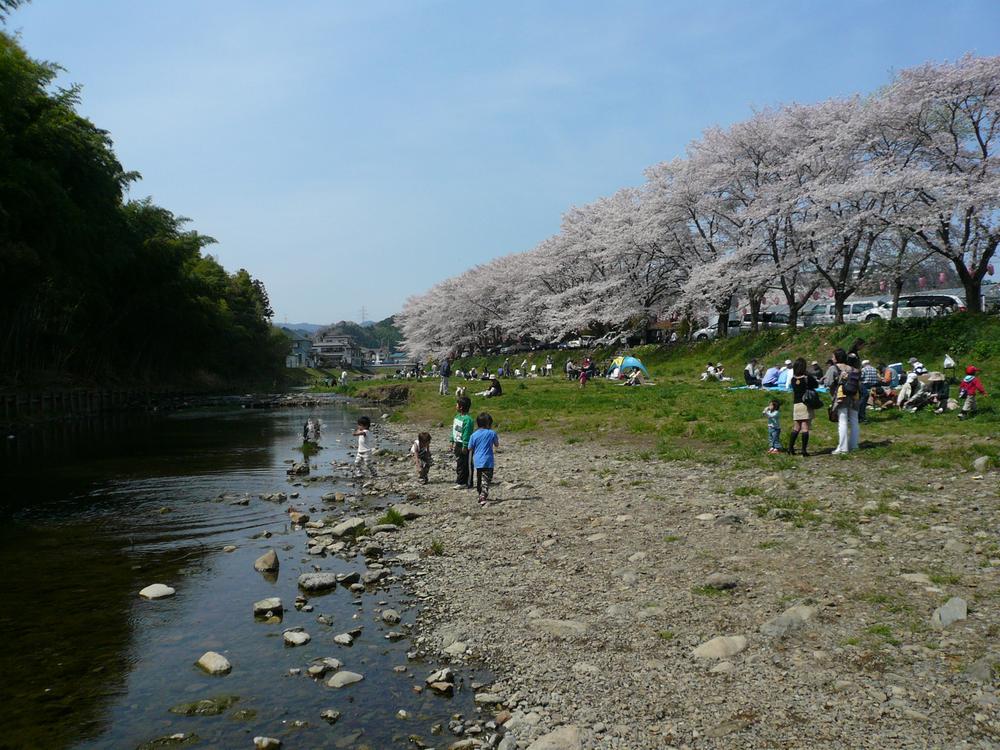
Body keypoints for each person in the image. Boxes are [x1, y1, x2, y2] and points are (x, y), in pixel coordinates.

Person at [830, 348, 861, 454]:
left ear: (837, 357)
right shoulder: (853, 369)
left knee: (842, 422)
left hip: (841, 396)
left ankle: (843, 448)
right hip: (854, 395)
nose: (832, 358)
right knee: (854, 421)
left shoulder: (833, 368)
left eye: (833, 356)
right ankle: (854, 445)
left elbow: (828, 382)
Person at [467, 412, 500, 506]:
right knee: (486, 478)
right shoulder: (492, 433)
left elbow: (470, 448)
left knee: (479, 477)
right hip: (488, 460)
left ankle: (480, 493)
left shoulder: (474, 435)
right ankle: (483, 495)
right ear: (488, 423)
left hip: (477, 460)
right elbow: (497, 444)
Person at [789, 357, 819, 456]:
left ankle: (790, 448)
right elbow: (816, 385)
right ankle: (803, 450)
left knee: (796, 427)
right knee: (805, 427)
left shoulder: (793, 379)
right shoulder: (807, 378)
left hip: (796, 404)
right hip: (806, 404)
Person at [450, 396, 474, 489]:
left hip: (465, 445)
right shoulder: (457, 417)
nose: (455, 406)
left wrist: (465, 445)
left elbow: (467, 434)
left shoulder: (468, 420)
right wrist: (452, 441)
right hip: (457, 443)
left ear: (461, 407)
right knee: (460, 463)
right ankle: (460, 481)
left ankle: (467, 482)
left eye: (457, 404)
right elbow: (454, 430)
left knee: (466, 464)